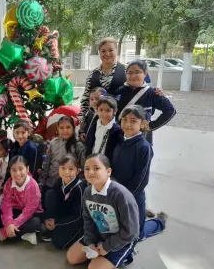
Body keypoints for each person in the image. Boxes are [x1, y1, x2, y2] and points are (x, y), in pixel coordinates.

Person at [67, 154, 140, 269]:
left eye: (96, 168)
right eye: (87, 169)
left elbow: (131, 231)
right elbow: (88, 220)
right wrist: (90, 242)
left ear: (108, 171)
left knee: (94, 267)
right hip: (100, 234)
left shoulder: (121, 195)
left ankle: (127, 254)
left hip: (122, 238)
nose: (91, 172)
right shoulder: (87, 192)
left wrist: (107, 246)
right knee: (72, 257)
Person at [112, 105, 167, 241]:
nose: (128, 124)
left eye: (133, 121)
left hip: (133, 195)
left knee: (137, 235)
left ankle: (159, 221)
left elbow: (141, 179)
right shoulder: (120, 140)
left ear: (142, 124)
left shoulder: (143, 147)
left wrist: (126, 197)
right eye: (124, 119)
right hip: (118, 193)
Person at [0, 156, 43, 246]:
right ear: (9, 171)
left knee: (36, 223)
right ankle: (24, 235)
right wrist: (8, 223)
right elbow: (6, 204)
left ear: (27, 169)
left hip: (29, 215)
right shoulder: (9, 183)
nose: (17, 173)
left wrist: (8, 228)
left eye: (20, 169)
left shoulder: (33, 186)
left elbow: (28, 211)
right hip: (15, 211)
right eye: (13, 170)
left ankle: (2, 234)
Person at [116, 60, 176, 145]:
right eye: (129, 72)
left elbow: (170, 110)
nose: (133, 75)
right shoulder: (119, 91)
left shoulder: (152, 93)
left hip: (141, 140)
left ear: (145, 74)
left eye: (137, 72)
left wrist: (151, 125)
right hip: (119, 136)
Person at [42, 155, 87, 249]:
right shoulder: (59, 181)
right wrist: (48, 218)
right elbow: (55, 203)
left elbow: (78, 216)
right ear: (58, 169)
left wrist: (58, 222)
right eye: (63, 168)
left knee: (59, 243)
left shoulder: (80, 188)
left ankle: (79, 234)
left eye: (71, 169)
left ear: (78, 171)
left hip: (75, 221)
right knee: (50, 194)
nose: (66, 172)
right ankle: (52, 226)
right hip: (62, 217)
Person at [79, 37, 127, 122]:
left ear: (116, 51)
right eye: (103, 51)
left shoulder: (126, 71)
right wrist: (82, 117)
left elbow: (136, 91)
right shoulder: (92, 74)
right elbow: (86, 98)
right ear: (99, 53)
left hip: (120, 121)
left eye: (111, 50)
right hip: (96, 121)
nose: (107, 54)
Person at [39, 116, 85, 195]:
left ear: (73, 128)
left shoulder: (79, 145)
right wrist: (41, 182)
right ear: (58, 128)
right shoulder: (53, 142)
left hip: (70, 186)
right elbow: (47, 164)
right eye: (61, 128)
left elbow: (83, 168)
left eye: (68, 127)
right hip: (51, 183)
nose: (65, 130)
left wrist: (79, 185)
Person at [85, 97, 122, 162]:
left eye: (108, 110)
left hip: (106, 164)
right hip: (92, 160)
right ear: (97, 110)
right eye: (101, 110)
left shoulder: (117, 130)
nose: (104, 113)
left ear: (115, 111)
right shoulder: (94, 125)